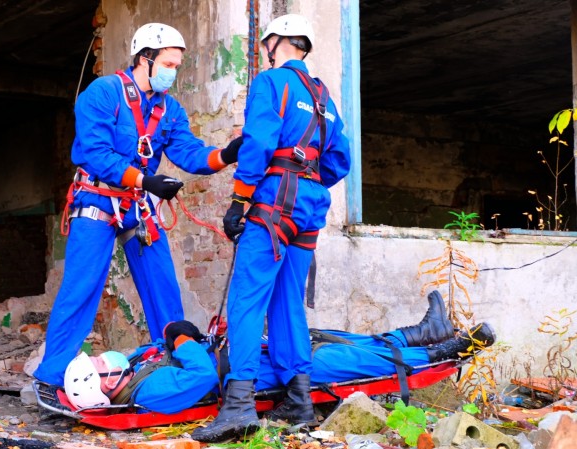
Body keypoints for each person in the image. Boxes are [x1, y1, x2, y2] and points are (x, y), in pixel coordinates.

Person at [34, 23, 243, 387]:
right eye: (168, 64)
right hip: (98, 198)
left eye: (178, 66)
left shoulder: (170, 110)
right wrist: (146, 181)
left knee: (164, 287)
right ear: (144, 59)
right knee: (80, 290)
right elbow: (96, 154)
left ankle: (181, 371)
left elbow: (189, 153)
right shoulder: (102, 94)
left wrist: (225, 154)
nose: (173, 73)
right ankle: (51, 379)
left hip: (137, 206)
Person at [194, 13, 351, 441]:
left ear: (274, 43)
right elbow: (340, 161)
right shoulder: (325, 99)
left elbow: (259, 143)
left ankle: (240, 406)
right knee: (288, 303)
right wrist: (306, 181)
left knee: (246, 301)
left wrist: (241, 198)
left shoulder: (270, 83)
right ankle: (299, 401)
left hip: (274, 206)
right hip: (308, 209)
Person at [57, 291, 497, 420]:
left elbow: (158, 345)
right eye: (98, 368)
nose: (103, 359)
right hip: (257, 375)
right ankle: (447, 350)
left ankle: (421, 333)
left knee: (333, 338)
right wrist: (183, 340)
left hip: (250, 354)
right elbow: (202, 378)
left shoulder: (134, 368)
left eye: (96, 359)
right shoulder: (150, 391)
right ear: (104, 389)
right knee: (342, 365)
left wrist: (175, 333)